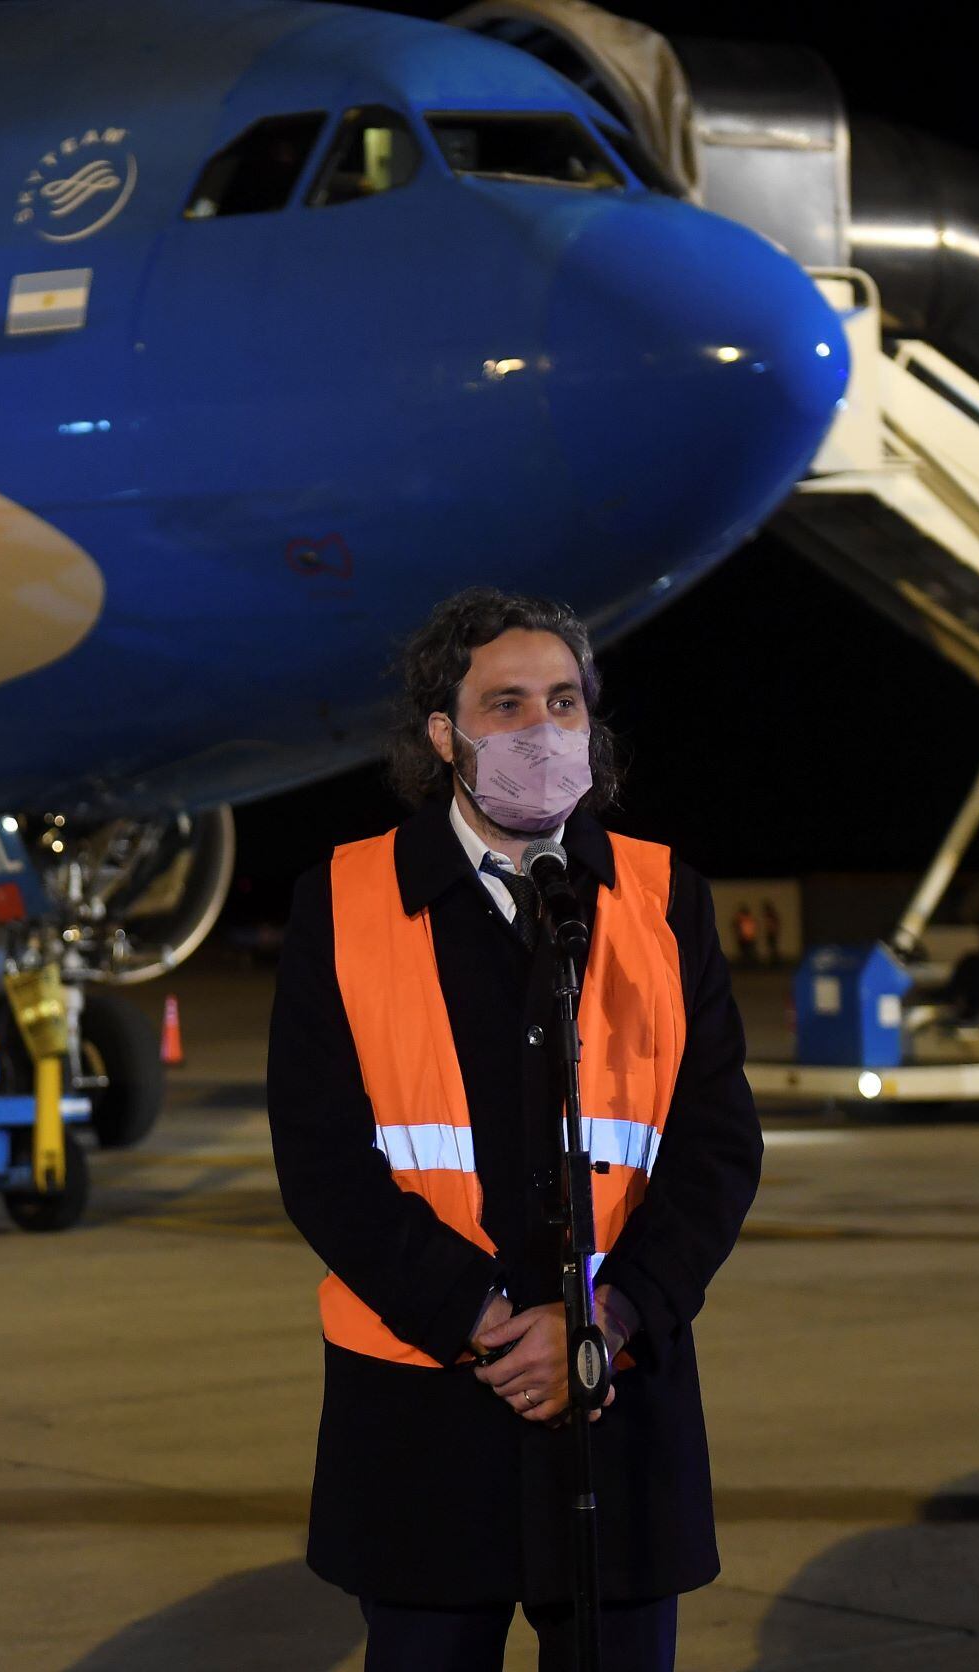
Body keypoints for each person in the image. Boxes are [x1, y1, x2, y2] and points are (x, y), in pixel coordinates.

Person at [267, 590, 762, 1671]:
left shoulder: (663, 896)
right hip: (427, 1417)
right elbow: (321, 1161)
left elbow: (718, 1145)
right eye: (506, 704)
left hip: (618, 1399)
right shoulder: (345, 901)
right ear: (445, 736)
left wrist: (611, 1318)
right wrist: (493, 1325)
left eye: (564, 700)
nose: (543, 730)